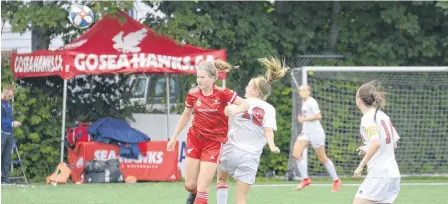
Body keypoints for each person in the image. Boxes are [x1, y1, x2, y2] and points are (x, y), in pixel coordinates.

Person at [166, 59, 249, 204]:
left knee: (203, 189)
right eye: (198, 77)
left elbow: (245, 103)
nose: (199, 80)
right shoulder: (193, 94)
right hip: (195, 139)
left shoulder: (223, 93)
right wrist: (174, 137)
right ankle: (195, 195)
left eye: (203, 77)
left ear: (213, 78)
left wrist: (236, 109)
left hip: (214, 143)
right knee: (190, 185)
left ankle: (200, 197)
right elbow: (186, 115)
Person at [215, 56, 288, 204]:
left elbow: (229, 110)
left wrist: (230, 110)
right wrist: (272, 146)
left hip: (231, 150)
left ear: (255, 91)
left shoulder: (243, 102)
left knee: (222, 180)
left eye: (248, 86)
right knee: (240, 199)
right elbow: (268, 130)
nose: (245, 88)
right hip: (250, 157)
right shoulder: (269, 109)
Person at [353, 81, 401, 204]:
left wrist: (361, 165)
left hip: (379, 175)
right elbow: (393, 144)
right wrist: (367, 148)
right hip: (393, 175)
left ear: (359, 99)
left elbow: (376, 143)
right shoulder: (383, 116)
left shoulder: (368, 118)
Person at [292, 84, 341, 192]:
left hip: (316, 133)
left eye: (304, 90)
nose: (302, 92)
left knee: (322, 157)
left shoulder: (311, 102)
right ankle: (305, 179)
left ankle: (336, 180)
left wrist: (304, 120)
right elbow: (306, 117)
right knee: (296, 153)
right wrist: (302, 119)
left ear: (309, 92)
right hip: (306, 133)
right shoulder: (304, 103)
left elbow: (319, 116)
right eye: (300, 90)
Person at [1, 85, 21, 184]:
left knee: (6, 157)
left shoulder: (8, 104)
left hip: (9, 133)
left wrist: (13, 123)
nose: (12, 95)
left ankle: (5, 179)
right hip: (2, 132)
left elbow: (8, 118)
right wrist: (12, 124)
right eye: (10, 93)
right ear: (6, 92)